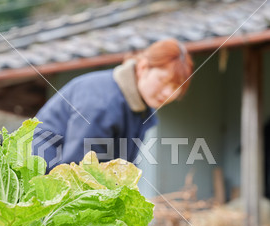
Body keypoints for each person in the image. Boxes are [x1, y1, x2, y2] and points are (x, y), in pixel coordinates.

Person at [32, 38, 193, 172]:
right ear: (143, 67)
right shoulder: (102, 103)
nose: (167, 93)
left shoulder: (141, 109)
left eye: (176, 88)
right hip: (35, 177)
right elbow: (79, 171)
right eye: (163, 81)